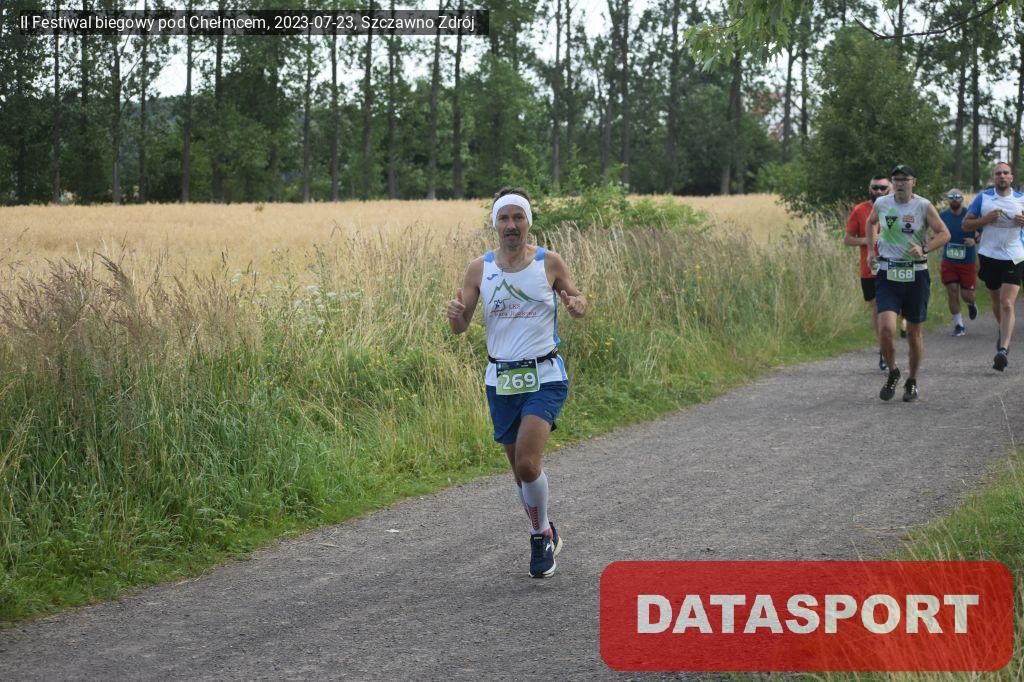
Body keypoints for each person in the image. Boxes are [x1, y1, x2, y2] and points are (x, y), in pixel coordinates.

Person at [446, 187, 587, 578]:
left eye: (518, 217)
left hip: (545, 375)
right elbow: (460, 326)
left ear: (528, 222)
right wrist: (455, 315)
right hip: (501, 379)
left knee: (527, 463)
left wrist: (577, 305)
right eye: (504, 218)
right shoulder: (479, 269)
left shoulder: (548, 262)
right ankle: (545, 527)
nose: (511, 225)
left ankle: (540, 536)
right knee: (519, 472)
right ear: (495, 223)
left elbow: (578, 301)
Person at [866, 164, 951, 402]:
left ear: (914, 181)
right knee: (886, 329)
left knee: (914, 334)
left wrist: (925, 248)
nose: (900, 183)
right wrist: (871, 251)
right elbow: (871, 222)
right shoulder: (882, 203)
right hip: (888, 273)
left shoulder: (923, 205)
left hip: (916, 275)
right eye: (896, 179)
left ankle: (912, 381)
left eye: (905, 179)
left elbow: (944, 234)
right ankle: (893, 371)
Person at [963, 161, 1024, 371]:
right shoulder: (984, 198)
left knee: (1007, 303)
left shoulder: (1021, 199)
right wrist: (985, 219)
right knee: (997, 301)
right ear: (993, 177)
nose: (1002, 176)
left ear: (1011, 177)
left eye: (1006, 173)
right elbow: (966, 224)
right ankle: (1003, 330)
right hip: (989, 255)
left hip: (1015, 255)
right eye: (998, 173)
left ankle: (1003, 350)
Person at [844, 175, 893, 370]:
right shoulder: (860, 210)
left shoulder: (898, 208)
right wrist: (869, 240)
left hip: (895, 265)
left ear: (890, 188)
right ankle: (883, 350)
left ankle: (889, 341)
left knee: (891, 310)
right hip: (870, 268)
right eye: (875, 187)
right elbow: (848, 239)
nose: (878, 191)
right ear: (869, 188)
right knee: (877, 309)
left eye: (883, 188)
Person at [939, 188, 979, 336]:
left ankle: (971, 303)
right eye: (951, 196)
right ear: (947, 198)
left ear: (962, 198)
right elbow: (936, 231)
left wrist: (974, 240)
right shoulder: (942, 216)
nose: (954, 198)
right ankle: (959, 325)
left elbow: (983, 232)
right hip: (948, 260)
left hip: (967, 260)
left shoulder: (971, 215)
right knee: (952, 290)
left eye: (957, 196)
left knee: (966, 294)